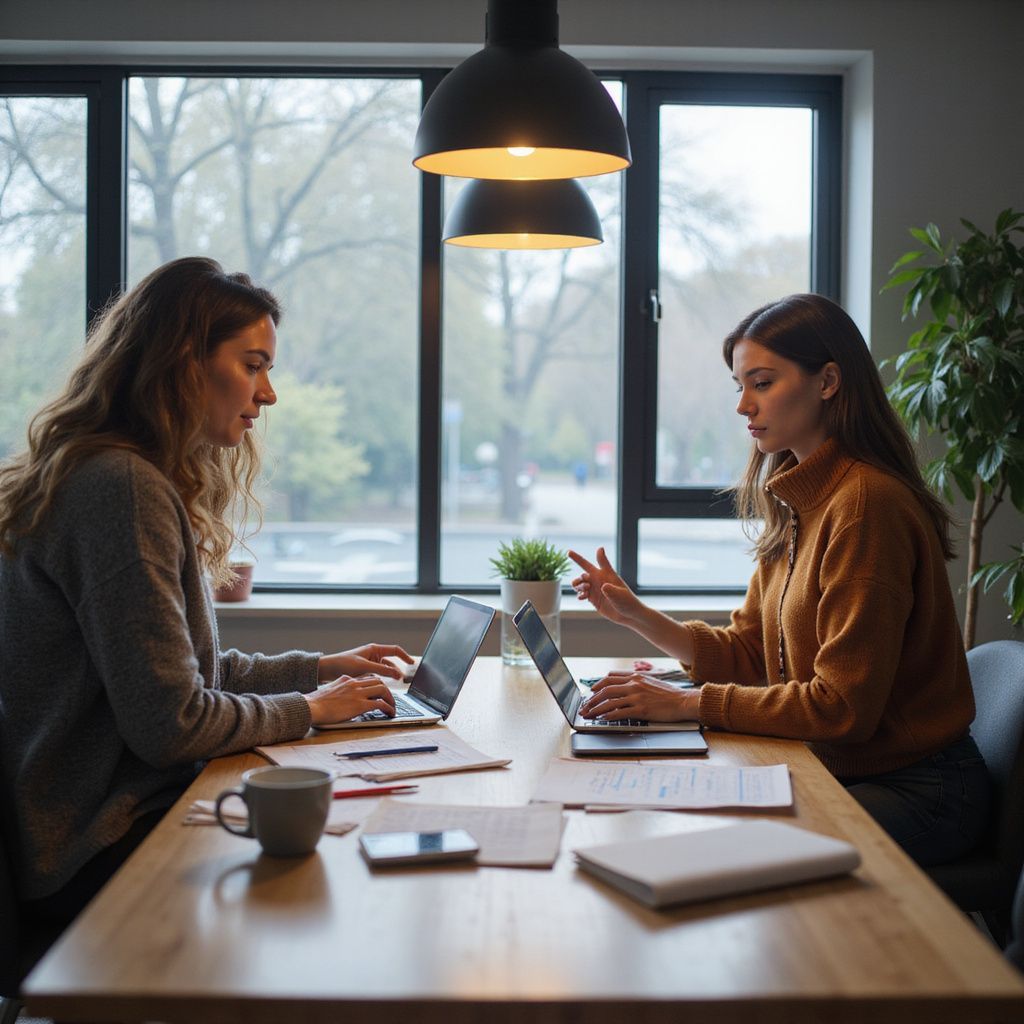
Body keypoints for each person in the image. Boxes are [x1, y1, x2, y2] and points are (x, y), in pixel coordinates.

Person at [0, 256, 411, 924]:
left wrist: (319, 671)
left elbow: (180, 677)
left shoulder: (111, 473)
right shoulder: (120, 488)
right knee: (345, 886)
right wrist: (312, 708)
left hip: (112, 826)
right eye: (252, 365)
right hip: (99, 850)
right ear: (184, 361)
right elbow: (172, 724)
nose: (268, 393)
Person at [569, 293, 991, 867]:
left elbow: (840, 708)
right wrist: (636, 615)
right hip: (838, 771)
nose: (743, 405)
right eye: (739, 386)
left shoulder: (865, 505)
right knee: (676, 836)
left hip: (920, 791)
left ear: (828, 381)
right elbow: (747, 652)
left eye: (761, 383)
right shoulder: (800, 496)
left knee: (720, 859)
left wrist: (685, 703)